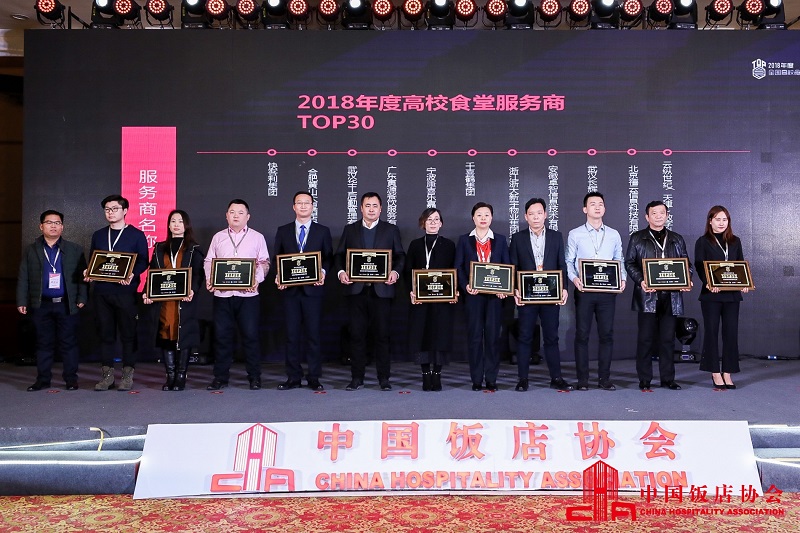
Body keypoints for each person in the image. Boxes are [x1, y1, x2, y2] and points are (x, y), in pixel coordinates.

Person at [335, 192, 405, 391]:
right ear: (361, 208)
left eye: (375, 206)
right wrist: (341, 272)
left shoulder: (390, 230)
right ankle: (357, 378)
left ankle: (384, 378)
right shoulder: (350, 230)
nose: (371, 209)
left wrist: (395, 272)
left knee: (382, 336)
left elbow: (400, 256)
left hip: (381, 291)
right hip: (356, 291)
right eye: (368, 205)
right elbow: (339, 255)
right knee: (357, 335)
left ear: (381, 209)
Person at [624, 200, 693, 392]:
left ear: (667, 215)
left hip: (671, 296)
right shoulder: (638, 238)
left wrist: (687, 279)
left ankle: (668, 379)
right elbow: (629, 263)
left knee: (667, 340)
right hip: (647, 296)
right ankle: (645, 379)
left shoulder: (676, 238)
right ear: (647, 217)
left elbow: (686, 263)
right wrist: (641, 281)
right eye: (654, 213)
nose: (658, 216)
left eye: (662, 213)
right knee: (645, 339)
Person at [17, 210, 88, 391]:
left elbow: (83, 276)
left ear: (62, 227)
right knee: (43, 343)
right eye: (49, 222)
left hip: (67, 304)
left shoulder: (74, 249)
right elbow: (23, 276)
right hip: (41, 304)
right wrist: (21, 300)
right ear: (41, 226)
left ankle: (71, 379)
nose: (53, 226)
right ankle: (43, 379)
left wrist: (82, 297)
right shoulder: (31, 249)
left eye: (57, 223)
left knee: (69, 343)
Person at [204, 199, 270, 390]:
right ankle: (220, 377)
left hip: (248, 296)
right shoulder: (218, 237)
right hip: (222, 295)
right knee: (222, 337)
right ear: (226, 215)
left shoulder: (257, 237)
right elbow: (209, 261)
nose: (236, 216)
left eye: (240, 212)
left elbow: (264, 262)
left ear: (248, 216)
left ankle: (254, 377)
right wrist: (210, 279)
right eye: (232, 212)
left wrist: (256, 280)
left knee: (250, 336)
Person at [566, 192, 626, 392]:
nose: (597, 207)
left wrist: (623, 279)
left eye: (600, 204)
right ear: (585, 209)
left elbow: (619, 260)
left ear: (604, 208)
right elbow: (569, 261)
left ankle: (604, 379)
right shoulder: (575, 234)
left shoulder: (614, 234)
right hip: (584, 291)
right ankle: (582, 379)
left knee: (606, 335)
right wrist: (575, 279)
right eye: (592, 204)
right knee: (582, 335)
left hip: (608, 292)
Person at [272, 192, 333, 392]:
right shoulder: (283, 230)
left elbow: (328, 258)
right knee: (291, 336)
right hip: (290, 292)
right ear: (294, 207)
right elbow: (277, 257)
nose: (303, 206)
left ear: (312, 206)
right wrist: (279, 276)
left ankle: (313, 377)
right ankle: (293, 377)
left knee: (313, 335)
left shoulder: (322, 231)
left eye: (307, 203)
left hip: (313, 292)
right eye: (299, 203)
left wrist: (322, 272)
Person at [88, 195, 149, 392]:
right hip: (102, 292)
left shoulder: (136, 235)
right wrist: (89, 271)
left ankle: (127, 376)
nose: (110, 212)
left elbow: (143, 260)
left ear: (125, 211)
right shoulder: (98, 235)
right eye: (107, 209)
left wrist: (132, 274)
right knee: (105, 335)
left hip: (126, 292)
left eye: (114, 208)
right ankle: (107, 377)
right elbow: (93, 260)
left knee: (128, 335)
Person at [509, 198, 571, 392]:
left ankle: (556, 378)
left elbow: (561, 265)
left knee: (551, 337)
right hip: (527, 296)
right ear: (525, 216)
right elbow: (513, 267)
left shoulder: (556, 236)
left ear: (545, 214)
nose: (535, 217)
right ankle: (522, 379)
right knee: (525, 336)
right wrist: (515, 289)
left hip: (550, 295)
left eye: (539, 213)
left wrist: (564, 288)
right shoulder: (517, 238)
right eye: (531, 214)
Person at [143, 210, 205, 391]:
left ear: (186, 225)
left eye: (180, 221)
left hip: (184, 301)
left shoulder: (193, 248)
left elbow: (198, 274)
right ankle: (170, 375)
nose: (176, 224)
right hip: (164, 301)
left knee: (183, 335)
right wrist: (147, 292)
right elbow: (152, 273)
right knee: (165, 334)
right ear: (168, 225)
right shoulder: (159, 247)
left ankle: (181, 375)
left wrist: (192, 290)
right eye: (173, 221)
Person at [455, 202, 510, 391]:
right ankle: (477, 379)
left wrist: (505, 288)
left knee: (493, 337)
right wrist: (466, 285)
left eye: (487, 214)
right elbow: (458, 266)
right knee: (475, 337)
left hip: (495, 297)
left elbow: (507, 266)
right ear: (473, 218)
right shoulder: (464, 240)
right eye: (479, 215)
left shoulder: (500, 240)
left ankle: (492, 378)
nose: (483, 218)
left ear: (492, 217)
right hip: (474, 296)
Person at [694, 205, 748, 390]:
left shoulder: (735, 241)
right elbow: (700, 265)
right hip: (711, 295)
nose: (721, 223)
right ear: (710, 221)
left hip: (732, 295)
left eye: (725, 219)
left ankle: (728, 372)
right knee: (711, 332)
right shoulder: (703, 241)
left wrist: (744, 283)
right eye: (718, 219)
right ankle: (715, 372)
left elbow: (740, 264)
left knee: (731, 333)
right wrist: (709, 283)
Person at [403, 208, 457, 392]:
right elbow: (408, 271)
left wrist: (454, 292)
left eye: (436, 219)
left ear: (441, 223)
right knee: (422, 336)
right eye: (429, 219)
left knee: (440, 336)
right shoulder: (415, 245)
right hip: (420, 301)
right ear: (423, 223)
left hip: (442, 301)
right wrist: (411, 292)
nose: (433, 222)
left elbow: (454, 270)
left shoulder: (449, 245)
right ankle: (425, 373)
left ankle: (437, 373)